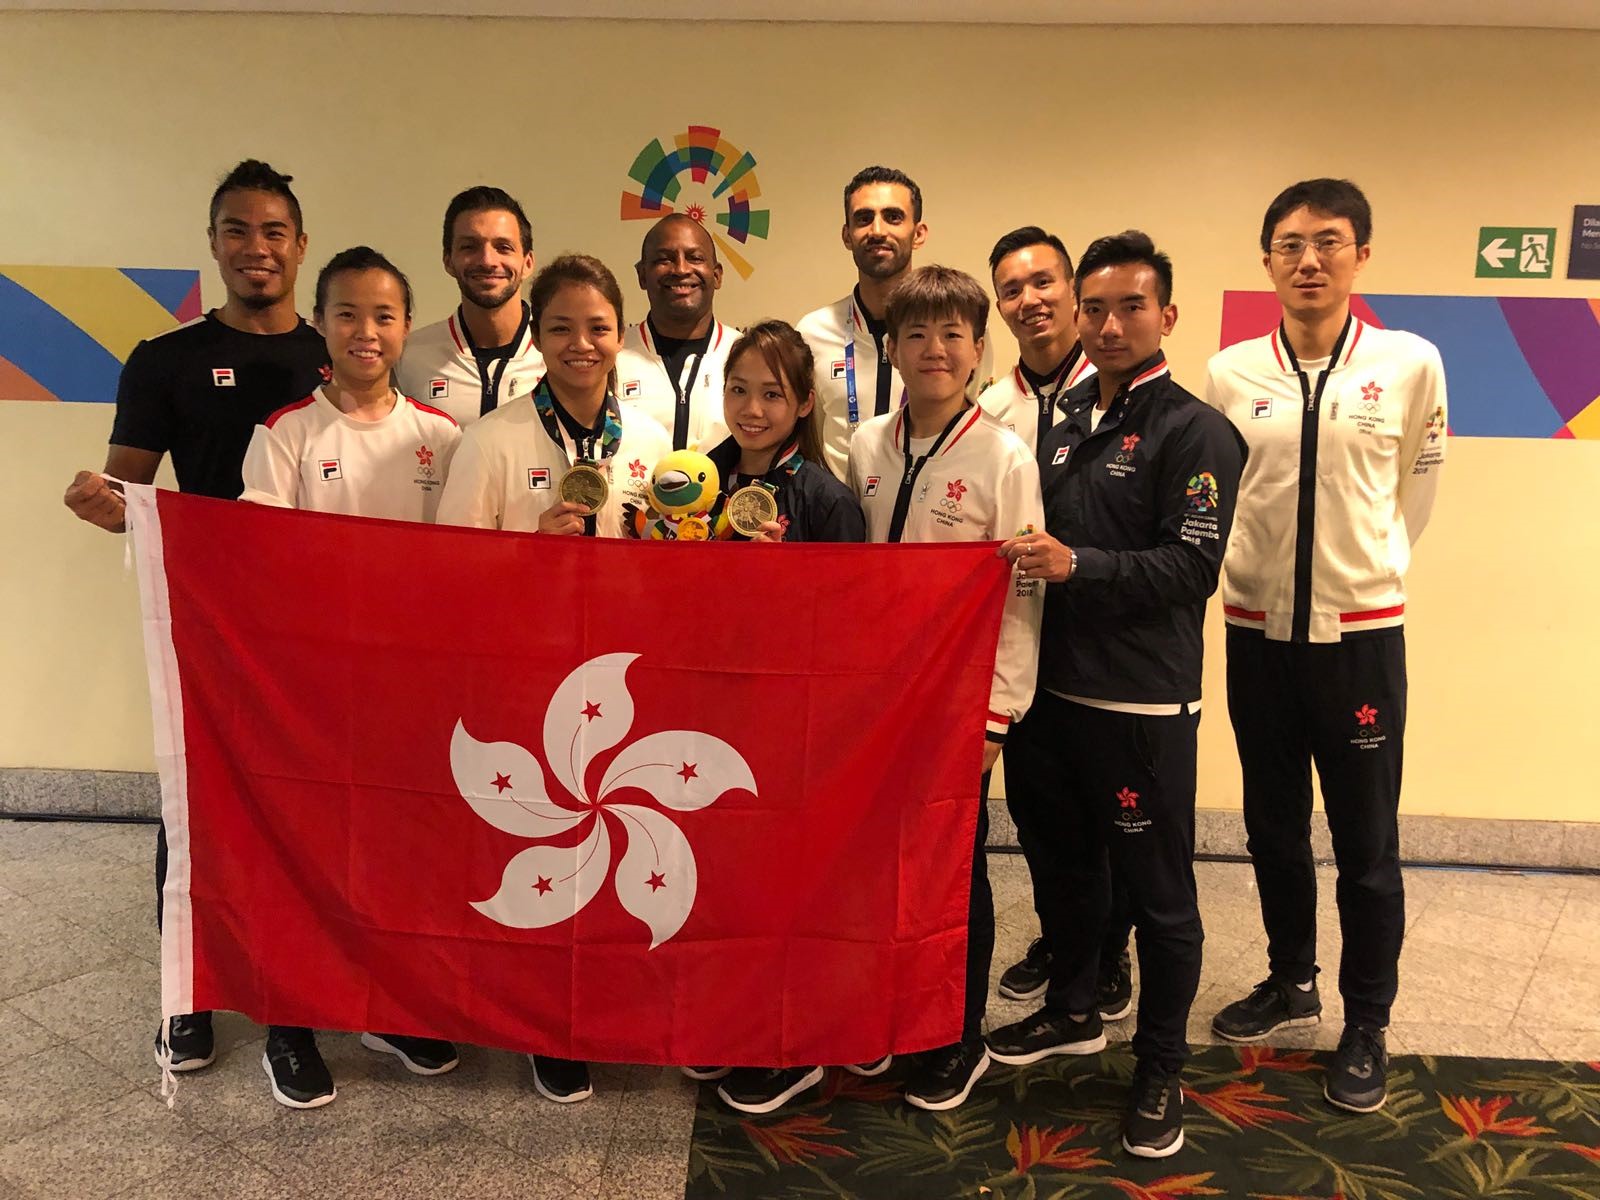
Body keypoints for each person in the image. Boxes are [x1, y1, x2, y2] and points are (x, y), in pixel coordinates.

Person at [60, 159, 328, 1078]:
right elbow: (128, 485)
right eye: (237, 230)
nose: (257, 248)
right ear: (213, 243)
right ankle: (190, 992)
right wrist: (105, 503)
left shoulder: (335, 353)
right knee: (196, 800)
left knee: (303, 808)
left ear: (301, 244)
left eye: (273, 231)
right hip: (207, 624)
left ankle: (293, 997)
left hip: (322, 626)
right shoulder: (164, 359)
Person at [988, 232, 1246, 1159]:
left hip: (1139, 707)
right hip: (1051, 700)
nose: (1108, 324)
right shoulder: (1059, 426)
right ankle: (1072, 1008)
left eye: (1130, 306)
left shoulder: (1197, 430)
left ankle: (1161, 1068)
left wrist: (1077, 564)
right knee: (1062, 869)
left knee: (1159, 895)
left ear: (1166, 316)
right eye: (1095, 309)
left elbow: (1192, 566)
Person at [1203, 179, 1447, 1115]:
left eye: (1329, 242)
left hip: (1359, 641)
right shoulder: (1231, 374)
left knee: (1366, 841)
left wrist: (1367, 572)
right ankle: (1290, 978)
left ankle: (1367, 1020)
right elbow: (1219, 499)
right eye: (1290, 245)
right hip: (1257, 636)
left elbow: (1416, 492)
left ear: (1361, 255)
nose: (1310, 260)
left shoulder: (1409, 362)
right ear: (1266, 260)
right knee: (1271, 824)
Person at [239, 246, 463, 1107]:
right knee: (303, 852)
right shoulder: (287, 433)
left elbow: (464, 566)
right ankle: (288, 1023)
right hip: (311, 688)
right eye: (346, 314)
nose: (365, 332)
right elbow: (257, 560)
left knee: (396, 856)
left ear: (407, 327)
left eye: (383, 316)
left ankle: (388, 1007)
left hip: (412, 690)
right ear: (321, 324)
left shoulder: (440, 437)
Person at [846, 265, 1043, 1112]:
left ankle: (957, 1038)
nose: (935, 350)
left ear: (976, 348)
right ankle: (883, 1016)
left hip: (961, 704)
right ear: (891, 348)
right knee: (870, 865)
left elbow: (1023, 594)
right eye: (916, 334)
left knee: (951, 869)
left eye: (953, 335)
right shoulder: (864, 446)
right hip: (871, 701)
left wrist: (999, 712)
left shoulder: (1004, 457)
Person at [682, 319, 865, 1115]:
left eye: (771, 394)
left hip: (791, 722)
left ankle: (795, 1047)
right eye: (738, 390)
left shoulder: (827, 499)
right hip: (703, 715)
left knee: (786, 889)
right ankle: (732, 1025)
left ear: (801, 405)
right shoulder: (691, 478)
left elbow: (852, 624)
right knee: (718, 885)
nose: (751, 409)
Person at [982, 227, 1134, 1022]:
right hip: (1022, 639)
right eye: (1012, 289)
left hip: (1099, 641)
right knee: (1040, 813)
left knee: (1107, 814)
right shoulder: (992, 407)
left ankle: (1110, 953)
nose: (1029, 300)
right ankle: (1060, 938)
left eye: (1043, 282)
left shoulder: (1114, 388)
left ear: (1073, 291)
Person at [437, 254, 669, 542]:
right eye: (561, 328)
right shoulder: (486, 442)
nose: (582, 344)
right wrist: (532, 547)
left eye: (599, 329)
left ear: (621, 335)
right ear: (536, 335)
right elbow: (455, 560)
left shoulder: (652, 441)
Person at [798, 166, 992, 480]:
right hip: (838, 521)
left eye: (893, 217)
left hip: (934, 512)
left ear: (918, 233)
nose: (877, 230)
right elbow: (809, 440)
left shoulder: (960, 330)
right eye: (863, 218)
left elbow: (975, 425)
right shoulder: (811, 333)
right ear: (847, 235)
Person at [394, 186, 543, 428]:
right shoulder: (409, 356)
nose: (487, 260)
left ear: (528, 262)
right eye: (469, 247)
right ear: (448, 261)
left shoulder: (557, 355)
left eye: (503, 247)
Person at [615, 214, 736, 450]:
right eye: (664, 259)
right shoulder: (612, 356)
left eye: (695, 258)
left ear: (717, 274)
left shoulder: (745, 355)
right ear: (641, 274)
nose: (681, 269)